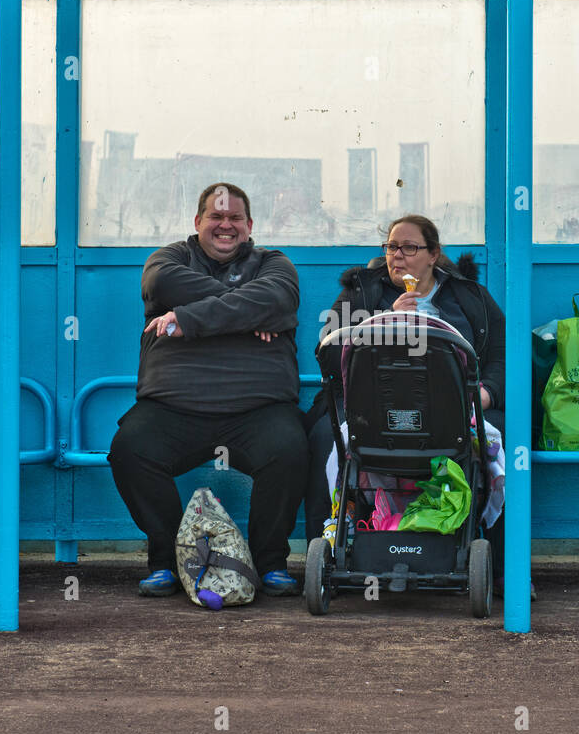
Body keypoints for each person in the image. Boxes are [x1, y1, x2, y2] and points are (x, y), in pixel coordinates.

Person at [304, 214, 523, 595]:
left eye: (409, 247)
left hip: (455, 411)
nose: (397, 256)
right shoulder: (362, 292)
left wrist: (486, 392)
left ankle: (503, 566)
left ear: (434, 254)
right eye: (391, 247)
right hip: (372, 413)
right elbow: (327, 351)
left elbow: (504, 356)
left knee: (505, 433)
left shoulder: (468, 297)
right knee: (324, 435)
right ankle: (333, 551)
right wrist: (385, 321)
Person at [109, 182, 307, 598]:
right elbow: (163, 285)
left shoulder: (274, 263)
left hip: (258, 411)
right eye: (216, 217)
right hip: (173, 409)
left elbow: (278, 297)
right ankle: (167, 559)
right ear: (198, 222)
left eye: (235, 218)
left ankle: (269, 562)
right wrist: (248, 311)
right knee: (131, 449)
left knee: (291, 450)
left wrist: (190, 318)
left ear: (249, 225)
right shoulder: (169, 260)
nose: (225, 225)